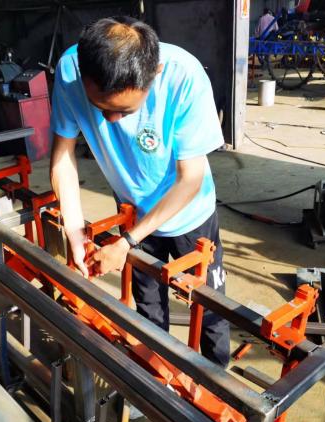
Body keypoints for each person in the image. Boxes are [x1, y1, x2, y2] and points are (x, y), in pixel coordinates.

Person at [49, 16, 229, 367]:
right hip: (131, 207)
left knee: (209, 308)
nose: (111, 122)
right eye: (100, 108)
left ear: (154, 74)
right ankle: (154, 376)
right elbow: (63, 158)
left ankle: (218, 381)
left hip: (189, 214)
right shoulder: (71, 71)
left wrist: (125, 243)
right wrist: (74, 231)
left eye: (123, 111)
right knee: (148, 305)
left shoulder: (183, 77)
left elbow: (190, 179)